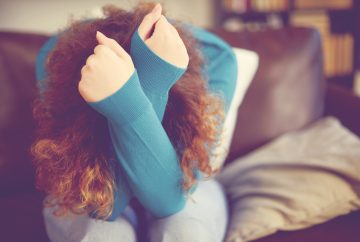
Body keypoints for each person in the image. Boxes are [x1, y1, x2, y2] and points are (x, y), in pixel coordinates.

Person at [31, 2, 237, 242]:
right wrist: (123, 102)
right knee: (98, 236)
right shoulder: (57, 57)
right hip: (88, 178)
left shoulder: (215, 57)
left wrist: (152, 83)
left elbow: (169, 201)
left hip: (185, 184)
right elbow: (102, 207)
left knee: (186, 233)